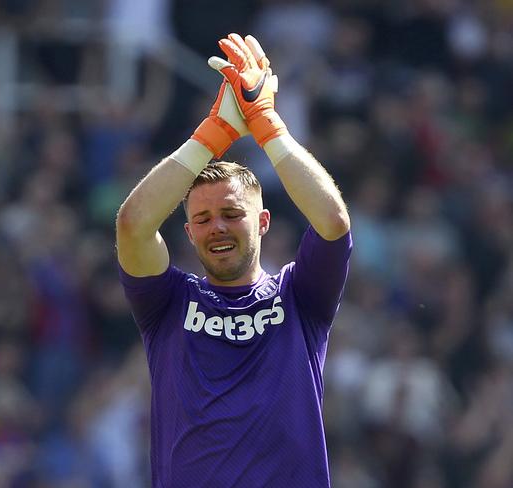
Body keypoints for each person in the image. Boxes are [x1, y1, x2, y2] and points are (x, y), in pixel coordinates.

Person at [116, 33, 352, 488]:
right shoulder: (167, 302)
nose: (217, 227)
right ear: (188, 233)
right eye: (202, 219)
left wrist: (266, 125)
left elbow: (333, 221)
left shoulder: (300, 296)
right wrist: (214, 133)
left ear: (263, 222)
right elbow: (133, 224)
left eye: (231, 214)